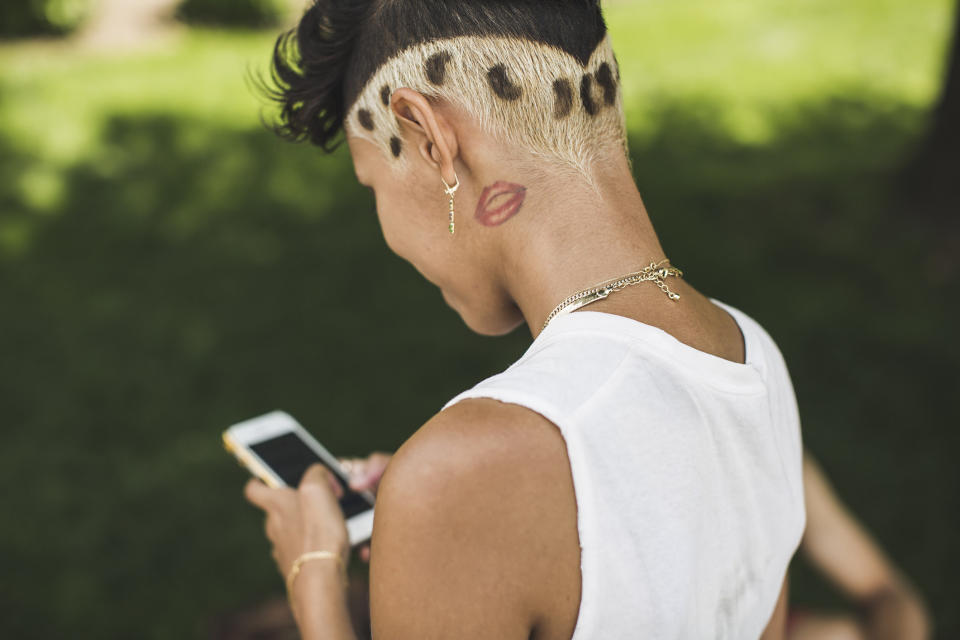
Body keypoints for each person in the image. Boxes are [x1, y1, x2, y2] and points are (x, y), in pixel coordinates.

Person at [242, 1, 806, 638]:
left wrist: (314, 574)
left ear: (430, 137)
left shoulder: (460, 472)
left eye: (372, 183)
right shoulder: (750, 354)